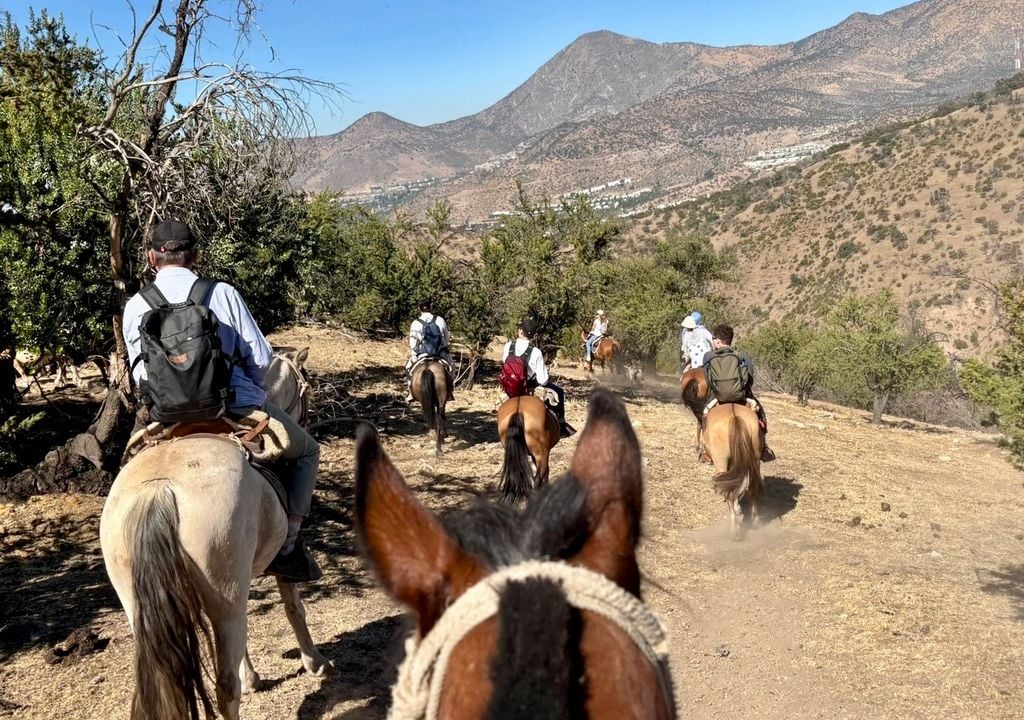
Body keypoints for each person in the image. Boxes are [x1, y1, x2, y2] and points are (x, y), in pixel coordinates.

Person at [123, 220, 321, 582]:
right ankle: (289, 545)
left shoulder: (135, 306)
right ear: (195, 256)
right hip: (234, 408)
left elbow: (141, 377)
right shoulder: (222, 293)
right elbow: (261, 360)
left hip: (167, 417)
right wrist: (250, 391)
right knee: (308, 451)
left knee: (130, 469)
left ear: (152, 259)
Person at [702, 324, 776, 462]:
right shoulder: (742, 355)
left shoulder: (708, 356)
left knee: (704, 415)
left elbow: (707, 378)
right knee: (761, 414)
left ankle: (705, 449)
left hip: (718, 396)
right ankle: (764, 447)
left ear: (718, 340)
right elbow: (750, 378)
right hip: (741, 395)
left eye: (714, 339)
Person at [503, 319, 576, 437]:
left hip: (510, 387)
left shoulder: (507, 347)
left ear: (521, 330)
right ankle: (561, 425)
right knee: (560, 392)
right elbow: (543, 380)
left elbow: (505, 364)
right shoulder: (536, 352)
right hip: (529, 387)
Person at [405, 299, 452, 403]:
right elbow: (445, 339)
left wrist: (414, 355)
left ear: (419, 308)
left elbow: (413, 343)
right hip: (440, 353)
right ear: (431, 307)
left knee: (408, 368)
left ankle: (410, 392)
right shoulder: (440, 320)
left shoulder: (415, 323)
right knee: (452, 367)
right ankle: (449, 392)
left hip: (422, 354)